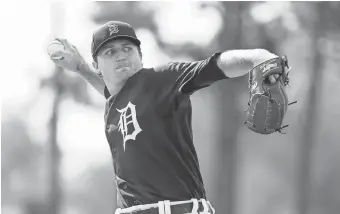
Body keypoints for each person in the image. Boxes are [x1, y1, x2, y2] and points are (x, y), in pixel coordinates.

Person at [49, 21, 287, 214]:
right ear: (97, 65)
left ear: (140, 56)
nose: (121, 56)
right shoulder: (114, 103)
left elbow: (212, 67)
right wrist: (80, 67)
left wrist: (258, 56)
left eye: (128, 49)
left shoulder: (162, 80)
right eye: (110, 52)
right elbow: (109, 90)